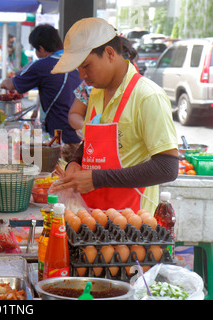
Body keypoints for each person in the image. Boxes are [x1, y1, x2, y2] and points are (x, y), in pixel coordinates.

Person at [50, 18, 179, 213]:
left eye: (86, 65)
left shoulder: (148, 96)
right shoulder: (95, 93)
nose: (82, 75)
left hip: (134, 225)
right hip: (92, 217)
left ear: (109, 53)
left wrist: (96, 179)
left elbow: (167, 167)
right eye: (78, 68)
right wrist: (75, 162)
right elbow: (92, 143)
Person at [0, 24, 82, 162]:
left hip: (59, 138)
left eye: (35, 49)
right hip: (81, 136)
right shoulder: (77, 62)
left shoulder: (43, 65)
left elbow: (9, 84)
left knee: (58, 176)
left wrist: (2, 83)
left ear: (41, 49)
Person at [68, 37, 139, 133]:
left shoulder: (144, 95)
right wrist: (92, 130)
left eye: (87, 66)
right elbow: (75, 113)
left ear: (111, 55)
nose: (82, 76)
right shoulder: (92, 87)